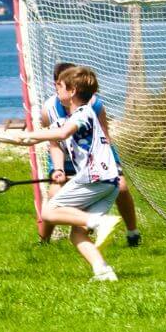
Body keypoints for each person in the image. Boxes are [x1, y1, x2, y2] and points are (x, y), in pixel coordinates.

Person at [14, 65, 122, 281]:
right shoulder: (71, 117)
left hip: (95, 177)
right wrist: (23, 137)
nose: (57, 91)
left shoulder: (83, 113)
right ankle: (103, 271)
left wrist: (33, 135)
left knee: (49, 212)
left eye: (60, 87)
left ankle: (100, 222)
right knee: (77, 233)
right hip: (110, 182)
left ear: (72, 91)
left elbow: (63, 133)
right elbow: (54, 132)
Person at [39, 61, 141, 246]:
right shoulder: (48, 110)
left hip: (95, 158)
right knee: (54, 194)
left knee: (122, 187)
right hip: (66, 157)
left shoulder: (93, 105)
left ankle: (132, 233)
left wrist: (105, 166)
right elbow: (54, 143)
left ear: (73, 88)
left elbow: (105, 137)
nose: (58, 86)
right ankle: (44, 241)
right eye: (58, 83)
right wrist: (59, 169)